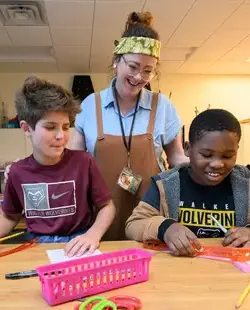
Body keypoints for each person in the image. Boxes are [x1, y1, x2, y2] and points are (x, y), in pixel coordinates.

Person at [70, 11, 187, 240]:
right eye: (133, 66)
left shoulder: (162, 106)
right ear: (116, 61)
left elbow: (177, 160)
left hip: (151, 213)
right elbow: (71, 161)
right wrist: (36, 167)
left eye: (148, 70)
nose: (138, 77)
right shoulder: (90, 105)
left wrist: (210, 164)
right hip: (101, 213)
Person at [0, 75, 115, 257]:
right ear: (26, 128)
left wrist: (92, 235)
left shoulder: (84, 162)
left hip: (78, 243)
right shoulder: (17, 171)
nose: (61, 136)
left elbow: (107, 207)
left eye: (65, 126)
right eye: (50, 127)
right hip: (36, 245)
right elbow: (9, 216)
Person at [125, 109, 250, 256]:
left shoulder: (246, 183)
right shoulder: (164, 184)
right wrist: (165, 228)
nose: (217, 164)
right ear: (187, 149)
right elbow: (133, 225)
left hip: (231, 273)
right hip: (180, 271)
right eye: (206, 155)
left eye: (227, 156)